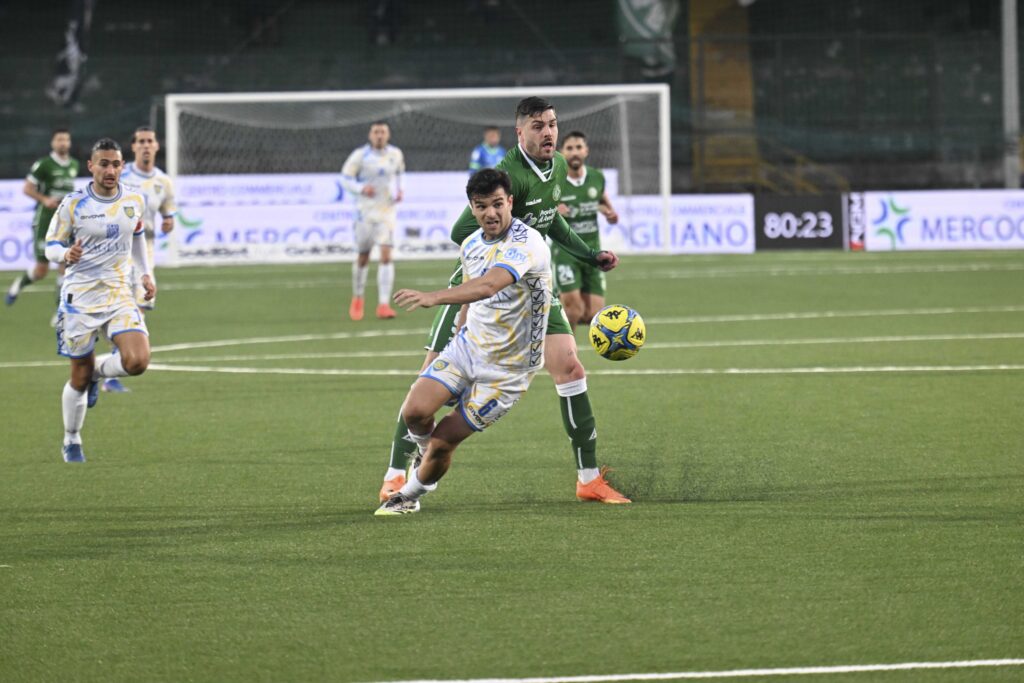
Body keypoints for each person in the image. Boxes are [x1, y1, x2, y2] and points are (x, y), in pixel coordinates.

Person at [378, 97, 630, 505]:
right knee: (428, 380)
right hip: (481, 286)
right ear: (519, 132)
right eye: (537, 126)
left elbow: (550, 218)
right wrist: (495, 264)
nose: (548, 132)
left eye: (552, 124)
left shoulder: (557, 166)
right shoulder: (509, 176)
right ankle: (395, 475)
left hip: (530, 287)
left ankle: (588, 480)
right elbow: (463, 230)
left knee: (570, 367)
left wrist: (587, 254)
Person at [376, 168, 551, 515]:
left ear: (510, 202)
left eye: (497, 204)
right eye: (481, 206)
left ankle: (409, 496)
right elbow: (472, 296)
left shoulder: (526, 242)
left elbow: (489, 285)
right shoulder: (471, 244)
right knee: (414, 411)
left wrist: (434, 297)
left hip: (508, 370)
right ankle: (424, 453)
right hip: (468, 347)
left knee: (444, 440)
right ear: (472, 208)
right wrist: (458, 332)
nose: (491, 213)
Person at [45, 138, 155, 463]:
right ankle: (71, 438)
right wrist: (66, 253)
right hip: (80, 299)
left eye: (116, 164)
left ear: (122, 167)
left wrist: (145, 274)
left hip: (119, 294)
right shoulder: (74, 204)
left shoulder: (134, 199)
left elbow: (137, 236)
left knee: (138, 361)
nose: (110, 170)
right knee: (78, 378)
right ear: (91, 166)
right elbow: (50, 245)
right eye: (104, 164)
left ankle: (98, 372)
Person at [102, 126, 177, 394]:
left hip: (146, 252)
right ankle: (108, 368)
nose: (146, 145)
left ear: (156, 146)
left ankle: (109, 369)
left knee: (140, 307)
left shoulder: (164, 182)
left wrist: (168, 223)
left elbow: (168, 214)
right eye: (141, 141)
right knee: (122, 307)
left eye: (150, 141)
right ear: (133, 147)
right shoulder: (121, 175)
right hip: (118, 251)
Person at [6, 129, 79, 311]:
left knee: (65, 263)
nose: (63, 143)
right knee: (41, 270)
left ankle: (60, 311)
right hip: (45, 219)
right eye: (59, 139)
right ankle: (19, 284)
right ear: (53, 143)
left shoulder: (74, 164)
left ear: (70, 143)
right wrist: (45, 199)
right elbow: (27, 188)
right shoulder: (44, 165)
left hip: (65, 221)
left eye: (66, 139)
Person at [340, 121, 404, 321]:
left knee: (386, 255)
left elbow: (399, 175)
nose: (379, 135)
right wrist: (360, 189)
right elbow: (345, 178)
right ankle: (358, 297)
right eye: (376, 132)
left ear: (388, 134)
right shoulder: (360, 156)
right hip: (365, 212)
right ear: (370, 135)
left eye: (383, 132)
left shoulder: (396, 154)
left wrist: (399, 191)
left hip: (386, 212)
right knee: (363, 256)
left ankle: (383, 305)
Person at [554, 131, 619, 329]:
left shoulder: (597, 177)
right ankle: (563, 348)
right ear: (561, 152)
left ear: (586, 151)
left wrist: (610, 214)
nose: (574, 152)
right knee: (573, 310)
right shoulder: (555, 180)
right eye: (569, 148)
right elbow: (541, 210)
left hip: (593, 252)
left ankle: (552, 321)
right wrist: (554, 210)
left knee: (594, 315)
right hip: (566, 253)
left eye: (578, 147)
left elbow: (604, 204)